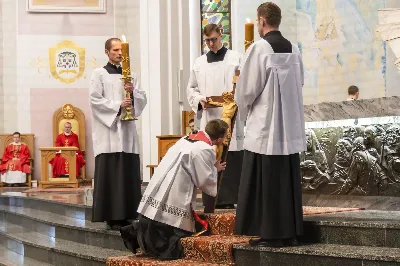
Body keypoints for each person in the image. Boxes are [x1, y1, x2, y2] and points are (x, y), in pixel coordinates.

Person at [234, 2, 306, 247]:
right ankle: (290, 232)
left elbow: (246, 92)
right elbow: (301, 83)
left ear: (262, 21)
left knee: (266, 180)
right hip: (289, 129)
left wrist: (241, 106)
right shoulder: (294, 49)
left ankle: (271, 234)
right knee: (286, 180)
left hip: (266, 127)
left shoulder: (260, 48)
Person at [120, 119, 227, 260]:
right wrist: (215, 170)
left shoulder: (186, 138)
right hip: (178, 188)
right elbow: (204, 180)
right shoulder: (205, 149)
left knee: (157, 212)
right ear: (219, 139)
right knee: (172, 221)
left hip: (162, 181)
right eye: (224, 137)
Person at [90, 37, 147, 230]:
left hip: (127, 130)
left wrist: (134, 93)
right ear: (107, 52)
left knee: (128, 168)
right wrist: (117, 105)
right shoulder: (99, 74)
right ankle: (111, 215)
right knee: (111, 171)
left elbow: (142, 99)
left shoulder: (131, 75)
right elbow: (95, 100)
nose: (119, 53)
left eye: (121, 50)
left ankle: (130, 212)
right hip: (109, 132)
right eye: (115, 50)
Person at [187, 23, 244, 209]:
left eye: (214, 39)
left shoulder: (235, 58)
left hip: (230, 115)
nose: (211, 44)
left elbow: (242, 83)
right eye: (207, 41)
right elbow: (191, 88)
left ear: (221, 35)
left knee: (230, 155)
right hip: (209, 115)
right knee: (210, 154)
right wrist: (198, 100)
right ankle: (211, 199)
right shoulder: (199, 63)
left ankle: (229, 198)